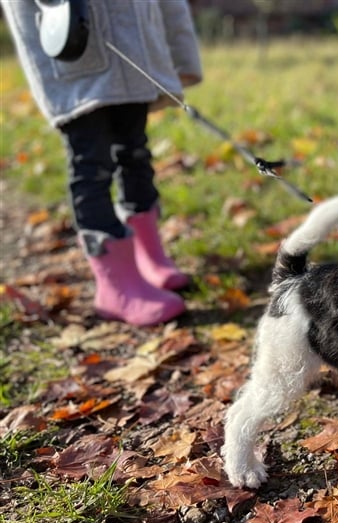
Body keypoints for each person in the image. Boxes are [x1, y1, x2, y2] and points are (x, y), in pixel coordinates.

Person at [1, 0, 203, 326]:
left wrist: (180, 55)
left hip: (135, 48)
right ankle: (115, 285)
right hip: (73, 50)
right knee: (90, 163)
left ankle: (147, 254)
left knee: (134, 152)